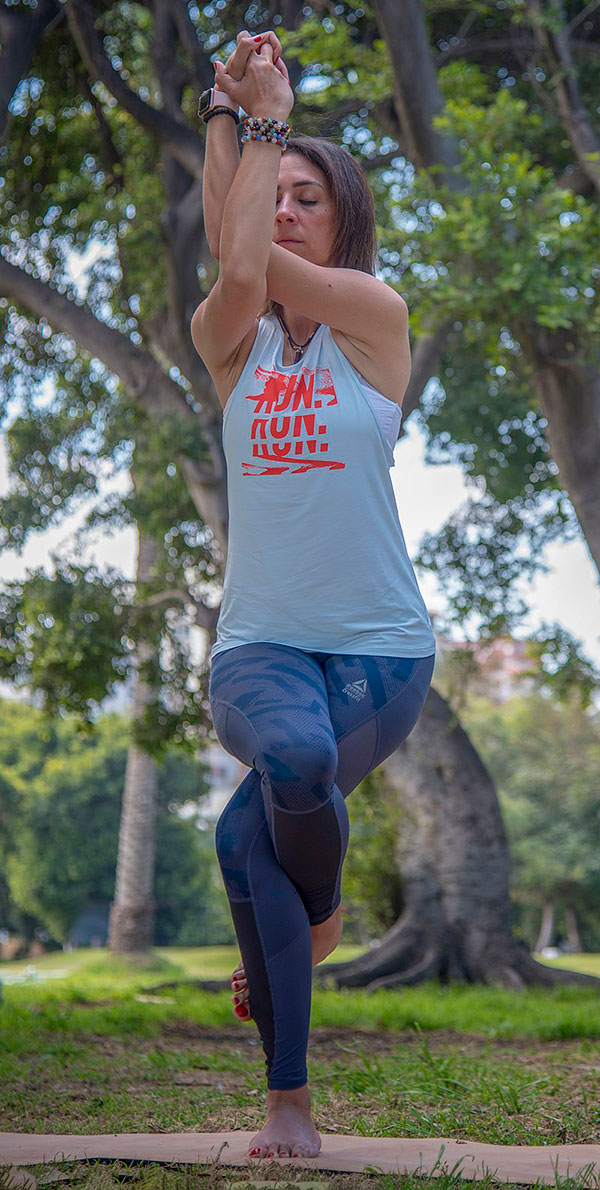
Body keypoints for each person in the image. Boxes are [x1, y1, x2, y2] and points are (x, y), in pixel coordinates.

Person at [190, 29, 436, 1162]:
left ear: (343, 220)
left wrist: (258, 126)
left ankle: (290, 1097)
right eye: (268, 195)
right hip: (260, 647)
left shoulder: (374, 323)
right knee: (285, 767)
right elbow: (237, 276)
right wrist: (223, 113)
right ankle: (296, 1059)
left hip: (381, 653)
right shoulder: (228, 344)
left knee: (250, 838)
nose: (281, 208)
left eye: (304, 197)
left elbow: (254, 260)